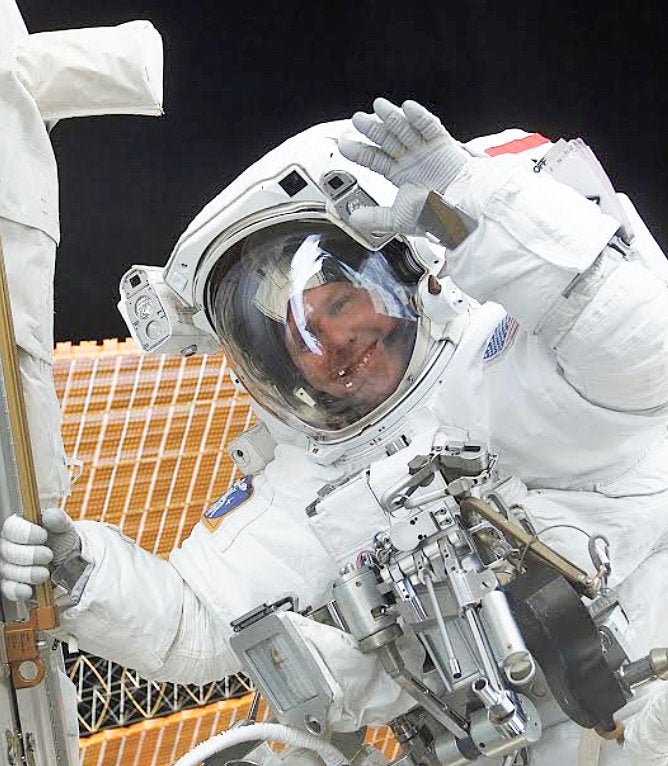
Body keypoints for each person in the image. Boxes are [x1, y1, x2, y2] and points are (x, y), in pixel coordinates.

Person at [1, 98, 667, 764]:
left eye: (340, 303)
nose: (330, 346)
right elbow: (195, 621)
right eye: (298, 337)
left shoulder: (504, 360)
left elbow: (641, 347)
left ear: (406, 274)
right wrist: (81, 569)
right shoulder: (315, 481)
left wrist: (466, 199)